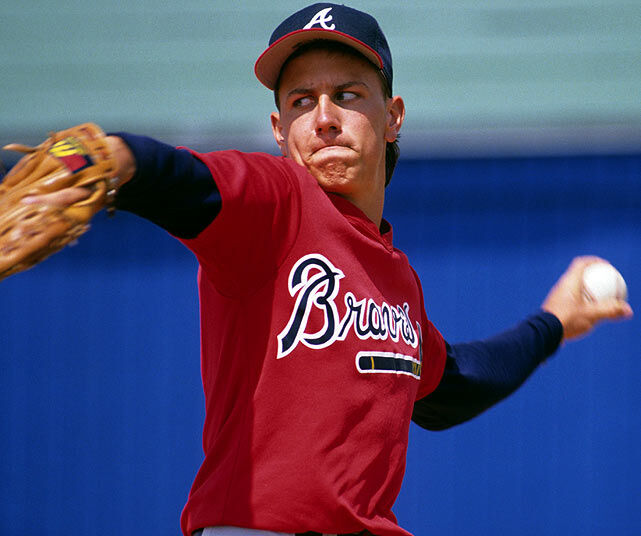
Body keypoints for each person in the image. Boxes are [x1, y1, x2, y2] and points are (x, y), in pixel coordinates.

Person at [23, 4, 632, 536]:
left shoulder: (395, 279)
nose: (324, 118)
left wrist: (554, 321)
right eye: (300, 101)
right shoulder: (274, 203)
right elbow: (177, 178)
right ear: (278, 130)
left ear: (392, 116)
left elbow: (451, 389)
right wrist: (101, 157)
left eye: (347, 94)